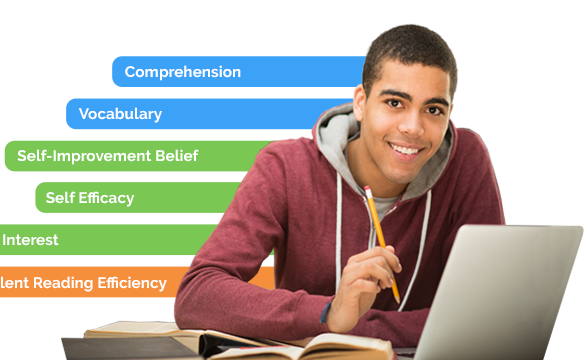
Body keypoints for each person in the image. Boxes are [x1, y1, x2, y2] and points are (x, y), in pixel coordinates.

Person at [174, 24, 504, 348]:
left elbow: (486, 316)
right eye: (394, 103)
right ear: (360, 102)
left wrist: (350, 329)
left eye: (433, 109)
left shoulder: (466, 162)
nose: (413, 127)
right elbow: (198, 295)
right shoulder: (285, 167)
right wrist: (328, 314)